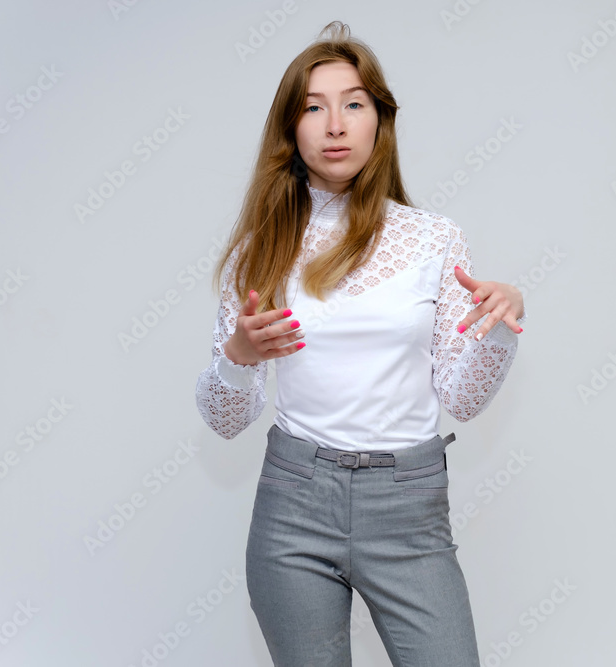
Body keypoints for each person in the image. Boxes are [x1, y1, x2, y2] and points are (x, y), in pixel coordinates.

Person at [194, 20, 527, 667]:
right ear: (291, 129)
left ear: (380, 120)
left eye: (353, 104)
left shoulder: (434, 238)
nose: (335, 125)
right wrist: (237, 357)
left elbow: (463, 398)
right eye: (313, 108)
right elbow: (224, 420)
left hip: (408, 505)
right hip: (295, 506)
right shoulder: (262, 249)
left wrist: (501, 325)